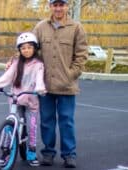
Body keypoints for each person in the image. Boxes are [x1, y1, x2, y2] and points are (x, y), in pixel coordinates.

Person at [32, 0, 88, 168]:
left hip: (67, 86)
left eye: (61, 5)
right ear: (50, 6)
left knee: (66, 121)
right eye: (55, 5)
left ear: (67, 6)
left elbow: (82, 56)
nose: (58, 8)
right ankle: (48, 153)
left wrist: (70, 75)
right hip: (45, 86)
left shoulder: (76, 28)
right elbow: (29, 49)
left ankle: (69, 155)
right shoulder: (40, 27)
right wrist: (15, 61)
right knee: (46, 121)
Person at [0, 32, 47, 166]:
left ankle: (31, 151)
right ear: (19, 50)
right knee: (10, 123)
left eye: (29, 47)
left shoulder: (39, 64)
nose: (26, 50)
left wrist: (40, 88)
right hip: (16, 99)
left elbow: (39, 79)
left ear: (35, 48)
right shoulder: (16, 62)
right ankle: (6, 150)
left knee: (32, 125)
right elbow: (7, 77)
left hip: (32, 100)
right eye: (23, 48)